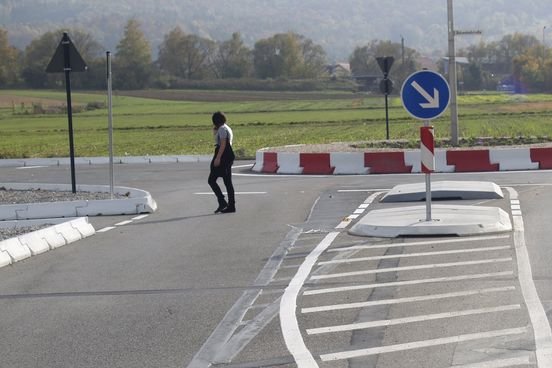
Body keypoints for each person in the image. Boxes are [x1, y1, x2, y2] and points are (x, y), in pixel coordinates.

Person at [208, 111, 236, 213]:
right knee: (227, 182)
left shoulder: (222, 129)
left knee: (212, 180)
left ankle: (223, 202)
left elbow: (223, 144)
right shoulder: (225, 128)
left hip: (223, 155)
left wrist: (218, 158)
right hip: (227, 155)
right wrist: (215, 130)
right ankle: (229, 204)